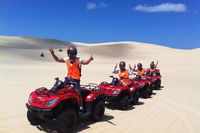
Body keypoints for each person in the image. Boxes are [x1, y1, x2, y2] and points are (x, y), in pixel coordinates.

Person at [49, 46, 93, 112]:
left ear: (75, 53)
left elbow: (85, 62)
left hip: (76, 80)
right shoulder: (67, 59)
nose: (72, 55)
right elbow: (57, 59)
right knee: (60, 89)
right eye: (70, 53)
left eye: (73, 53)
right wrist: (52, 53)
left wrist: (89, 59)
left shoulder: (78, 60)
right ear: (68, 53)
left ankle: (80, 106)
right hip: (68, 79)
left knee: (78, 92)